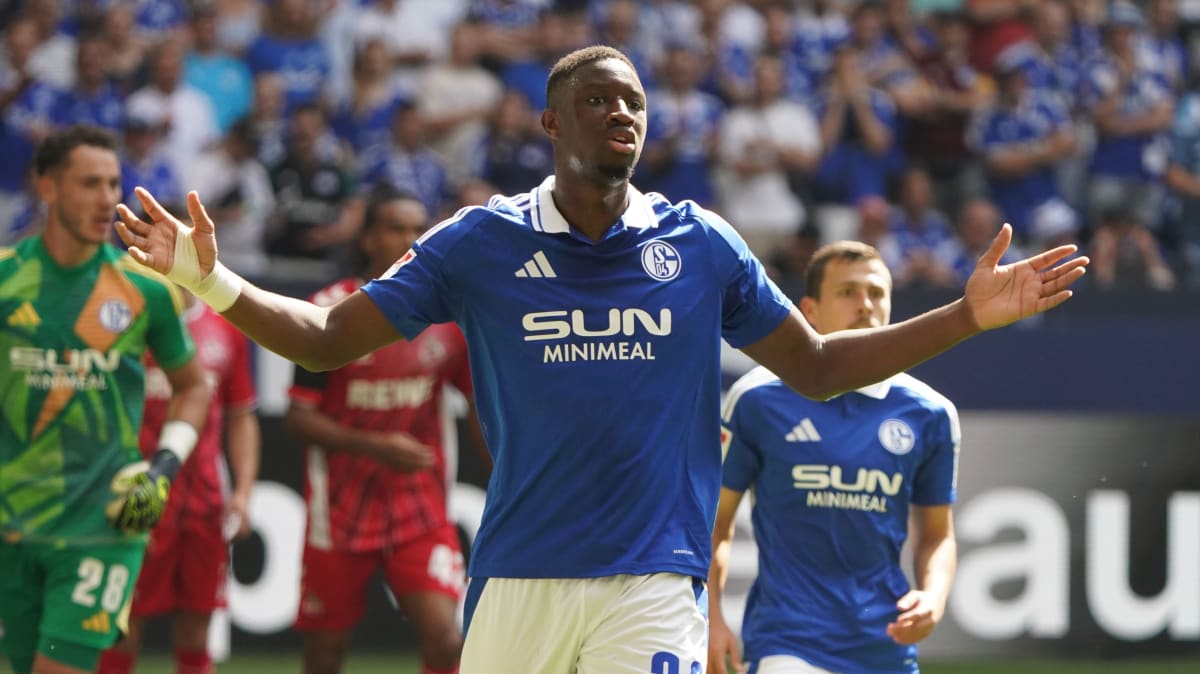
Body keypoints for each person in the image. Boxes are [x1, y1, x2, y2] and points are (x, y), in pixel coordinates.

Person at [114, 46, 1087, 674]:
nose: (622, 113)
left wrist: (964, 314)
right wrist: (211, 279)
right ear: (551, 124)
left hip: (653, 579)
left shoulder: (700, 243)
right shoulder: (480, 242)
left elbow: (821, 363)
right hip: (519, 575)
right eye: (597, 99)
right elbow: (327, 340)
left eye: (634, 102)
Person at [0, 125, 210, 674]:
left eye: (113, 183)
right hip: (11, 522)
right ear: (46, 186)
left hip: (103, 527)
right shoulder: (4, 281)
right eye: (89, 183)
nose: (106, 199)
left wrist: (163, 468)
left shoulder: (147, 291)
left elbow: (193, 386)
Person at [707, 241, 959, 674]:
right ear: (810, 311)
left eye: (876, 293)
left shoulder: (931, 412)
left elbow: (938, 535)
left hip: (888, 648)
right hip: (787, 642)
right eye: (847, 292)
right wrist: (711, 618)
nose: (865, 305)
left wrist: (933, 597)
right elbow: (715, 525)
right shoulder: (756, 398)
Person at [287, 185, 477, 674]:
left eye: (419, 229)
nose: (410, 239)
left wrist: (507, 475)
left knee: (448, 641)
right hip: (339, 512)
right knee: (325, 656)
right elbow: (299, 417)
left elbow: (481, 404)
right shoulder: (327, 312)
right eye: (396, 228)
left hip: (420, 507)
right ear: (369, 238)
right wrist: (375, 446)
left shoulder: (449, 314)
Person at [94, 292, 260, 674]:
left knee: (196, 632)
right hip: (137, 498)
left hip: (204, 501)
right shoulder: (124, 321)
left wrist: (242, 493)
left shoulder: (224, 326)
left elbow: (241, 415)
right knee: (122, 626)